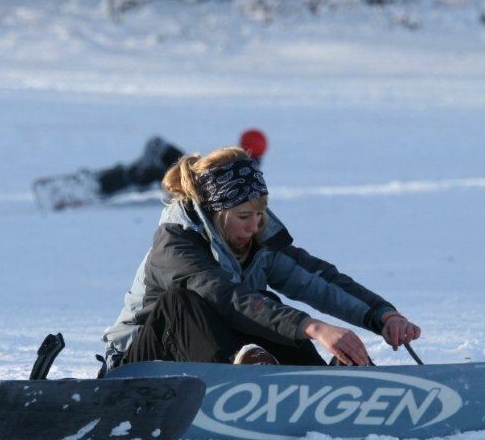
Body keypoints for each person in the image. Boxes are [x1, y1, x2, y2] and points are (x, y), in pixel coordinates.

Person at [101, 145, 420, 372]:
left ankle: (324, 381)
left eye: (259, 214)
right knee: (181, 303)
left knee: (267, 304)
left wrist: (382, 315)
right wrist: (312, 326)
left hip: (206, 356)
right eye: (243, 216)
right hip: (136, 365)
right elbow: (224, 296)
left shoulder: (258, 242)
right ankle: (240, 379)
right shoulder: (174, 245)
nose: (254, 226)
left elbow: (318, 282)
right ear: (216, 213)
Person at [96, 129, 267, 199]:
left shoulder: (243, 168)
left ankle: (100, 185)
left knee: (149, 166)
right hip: (193, 174)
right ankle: (105, 180)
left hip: (191, 181)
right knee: (157, 147)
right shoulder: (246, 166)